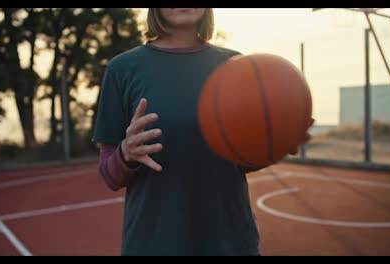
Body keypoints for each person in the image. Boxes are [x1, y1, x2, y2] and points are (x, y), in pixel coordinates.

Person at [93, 8, 311, 256]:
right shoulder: (121, 69)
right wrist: (125, 154)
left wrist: (277, 142)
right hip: (154, 242)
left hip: (229, 240)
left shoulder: (237, 66)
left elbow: (239, 158)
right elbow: (109, 175)